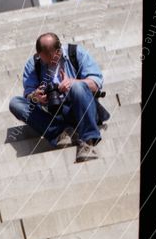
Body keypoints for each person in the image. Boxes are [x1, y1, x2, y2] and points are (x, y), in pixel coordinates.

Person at [9, 33, 110, 163]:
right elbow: (28, 94)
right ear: (39, 54)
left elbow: (96, 84)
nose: (51, 62)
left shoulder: (76, 52)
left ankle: (87, 141)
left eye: (54, 57)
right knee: (15, 103)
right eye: (46, 59)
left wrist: (73, 82)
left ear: (59, 49)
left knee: (77, 87)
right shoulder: (34, 64)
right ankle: (61, 133)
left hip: (82, 108)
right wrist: (35, 96)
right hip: (54, 113)